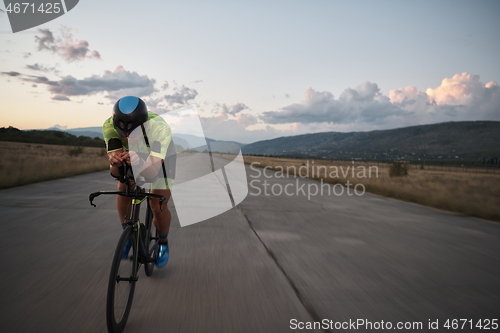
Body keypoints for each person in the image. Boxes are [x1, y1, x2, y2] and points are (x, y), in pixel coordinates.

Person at [102, 96, 175, 267]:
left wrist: (141, 162)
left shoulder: (159, 128)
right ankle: (127, 235)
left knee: (158, 205)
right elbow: (115, 172)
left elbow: (152, 171)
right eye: (123, 133)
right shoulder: (108, 125)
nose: (127, 138)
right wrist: (114, 161)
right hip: (133, 156)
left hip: (161, 160)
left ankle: (163, 242)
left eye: (133, 132)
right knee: (123, 185)